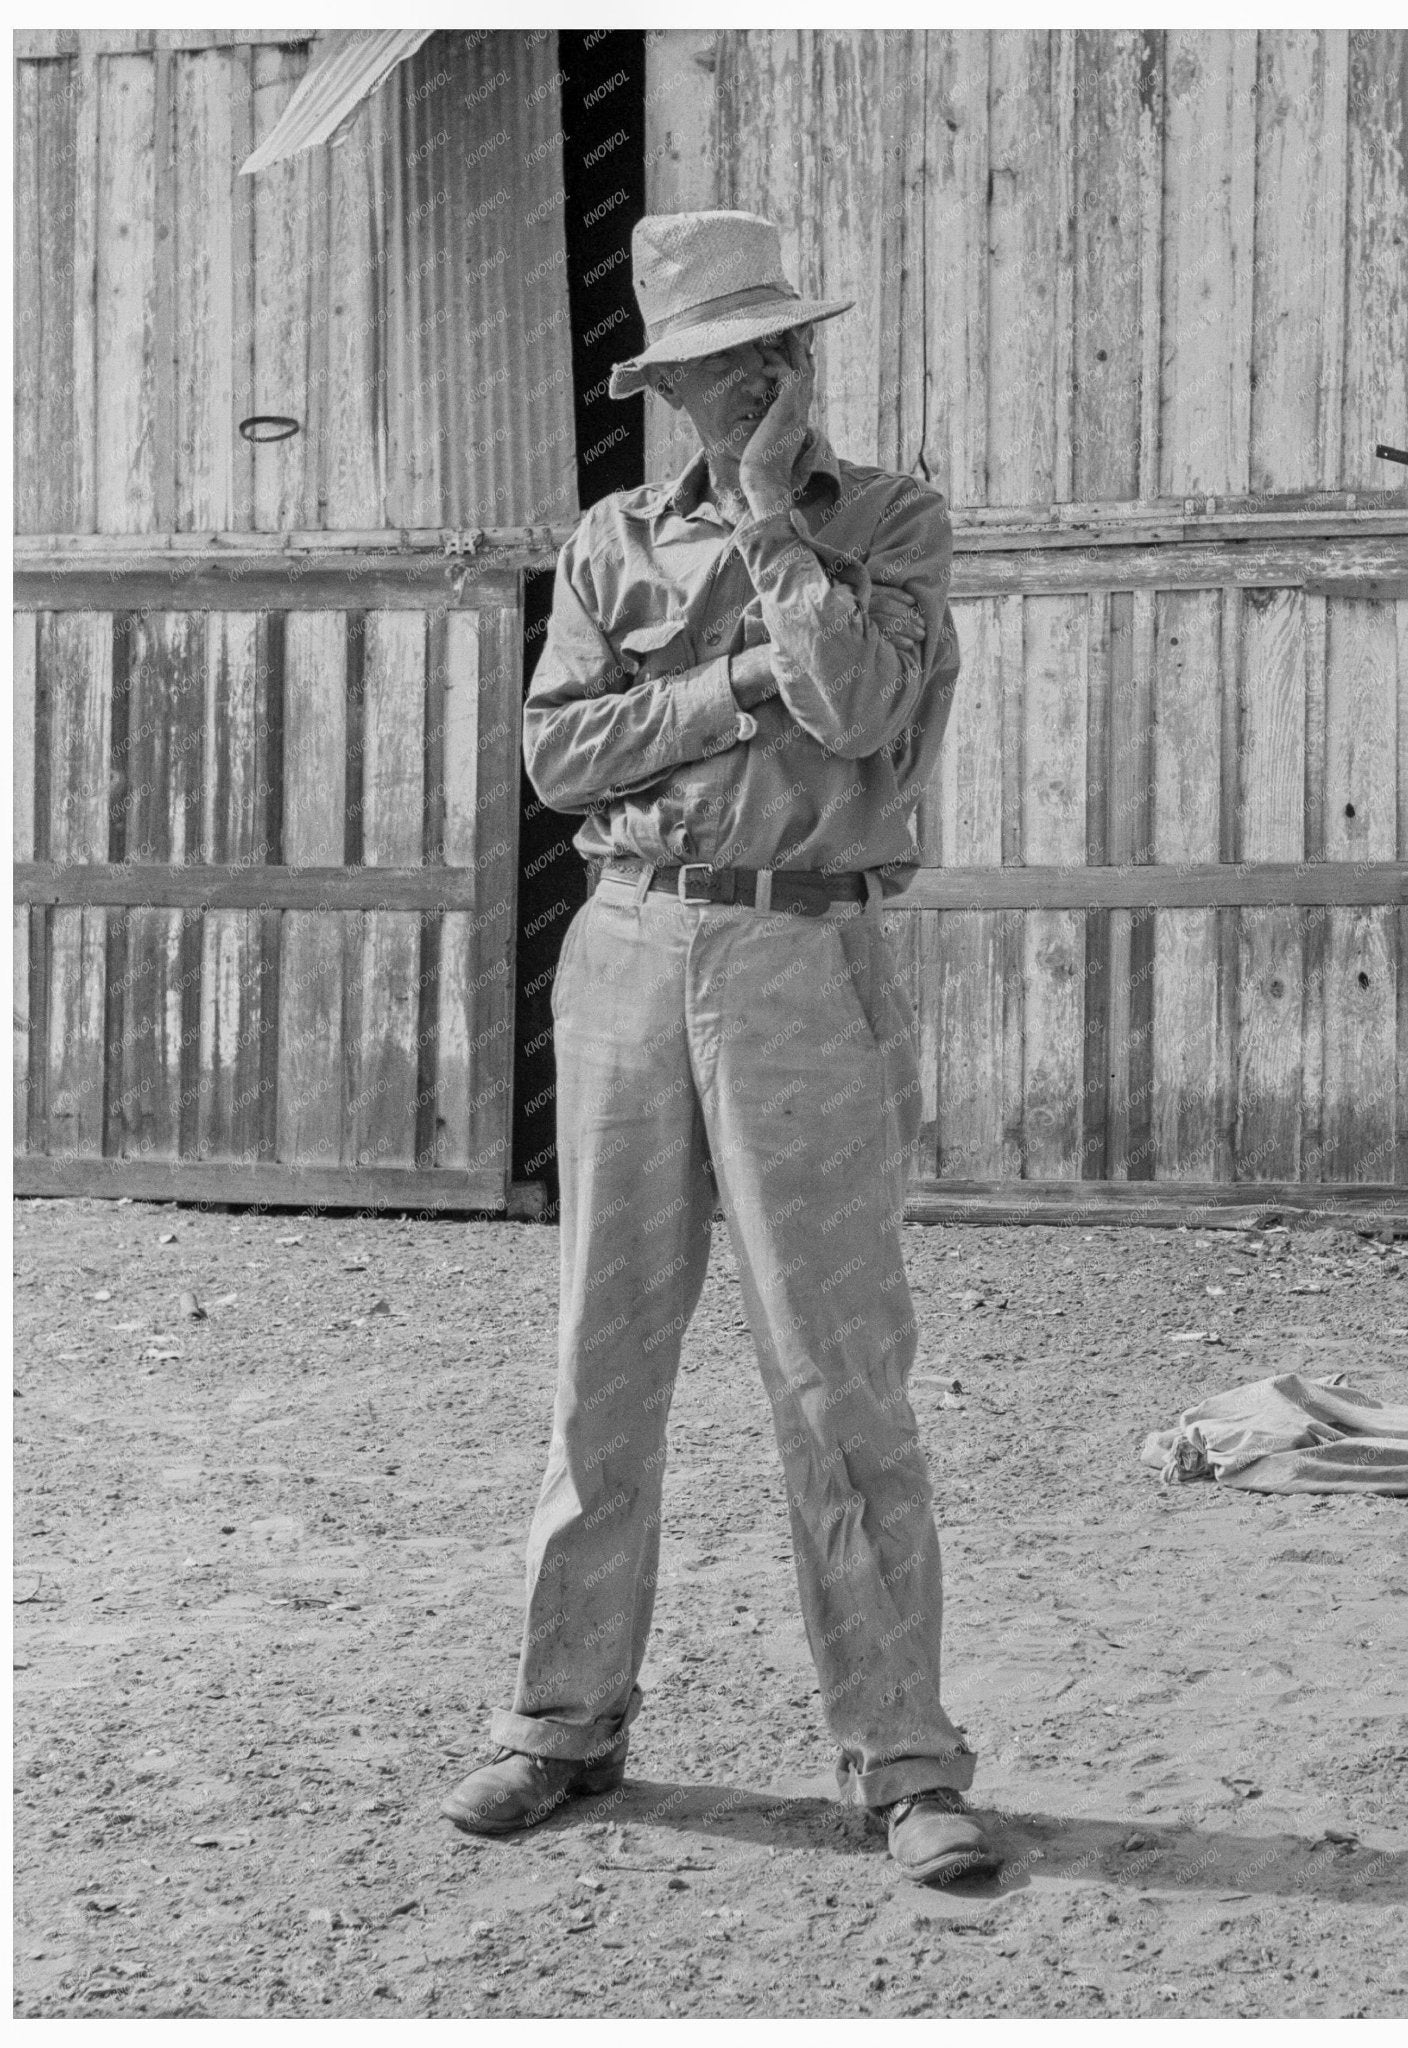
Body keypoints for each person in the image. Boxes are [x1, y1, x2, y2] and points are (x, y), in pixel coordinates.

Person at [440, 210, 997, 1886]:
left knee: (838, 1374)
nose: (741, 385)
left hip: (797, 954)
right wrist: (723, 684)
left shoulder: (890, 521)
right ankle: (561, 1721)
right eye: (707, 366)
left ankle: (902, 1760)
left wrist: (769, 543)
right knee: (604, 1361)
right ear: (667, 382)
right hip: (624, 948)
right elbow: (558, 756)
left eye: (767, 353)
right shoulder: (607, 541)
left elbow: (857, 709)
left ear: (802, 359)